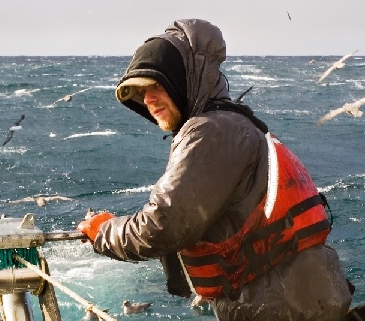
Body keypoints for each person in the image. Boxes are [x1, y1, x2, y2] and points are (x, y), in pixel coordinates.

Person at [76, 18, 352, 320]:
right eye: (141, 92)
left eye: (156, 85)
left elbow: (165, 225)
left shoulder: (211, 131)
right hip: (300, 299)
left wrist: (103, 231)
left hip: (280, 306)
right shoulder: (232, 124)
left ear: (182, 81)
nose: (148, 99)